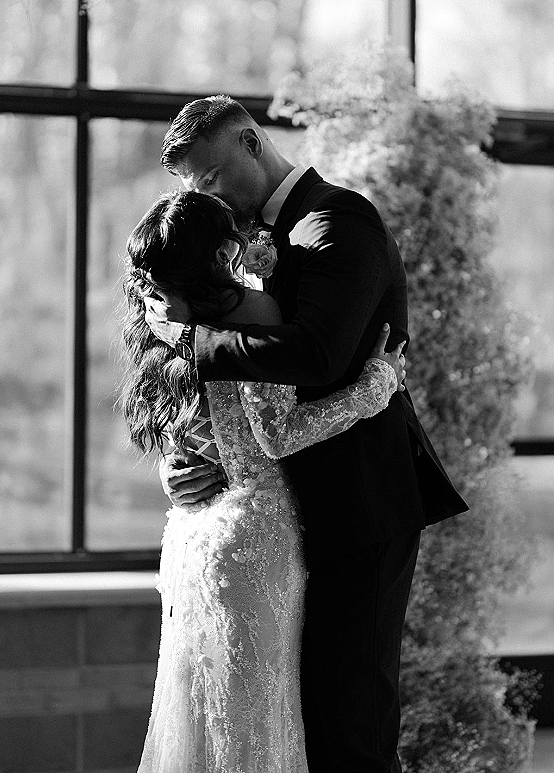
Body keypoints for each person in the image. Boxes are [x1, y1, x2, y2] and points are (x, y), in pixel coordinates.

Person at [144, 95, 470, 773]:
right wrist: (189, 457)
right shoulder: (237, 244)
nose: (208, 197)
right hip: (276, 521)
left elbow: (315, 354)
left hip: (356, 509)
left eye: (211, 178)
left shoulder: (335, 222)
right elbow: (232, 402)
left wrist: (192, 342)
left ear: (252, 143)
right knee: (293, 728)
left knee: (350, 726)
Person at [122, 189, 407, 773]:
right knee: (256, 722)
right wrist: (375, 387)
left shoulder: (167, 323)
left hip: (191, 536)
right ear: (222, 251)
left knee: (202, 720)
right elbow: (276, 436)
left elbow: (183, 429)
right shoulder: (250, 310)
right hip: (253, 535)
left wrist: (173, 464)